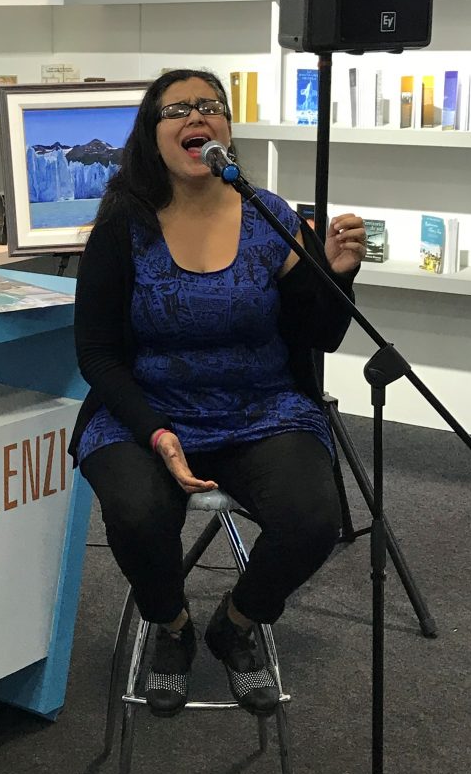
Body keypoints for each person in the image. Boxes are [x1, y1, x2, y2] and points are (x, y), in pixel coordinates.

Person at [71, 69, 365, 717]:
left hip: (260, 409)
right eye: (176, 109)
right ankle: (171, 625)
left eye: (209, 105)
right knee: (137, 512)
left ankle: (238, 620)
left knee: (315, 517)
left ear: (225, 131)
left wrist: (340, 278)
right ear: (153, 136)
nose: (195, 116)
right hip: (145, 411)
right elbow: (96, 352)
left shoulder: (269, 217)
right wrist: (156, 431)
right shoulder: (123, 224)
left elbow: (322, 334)